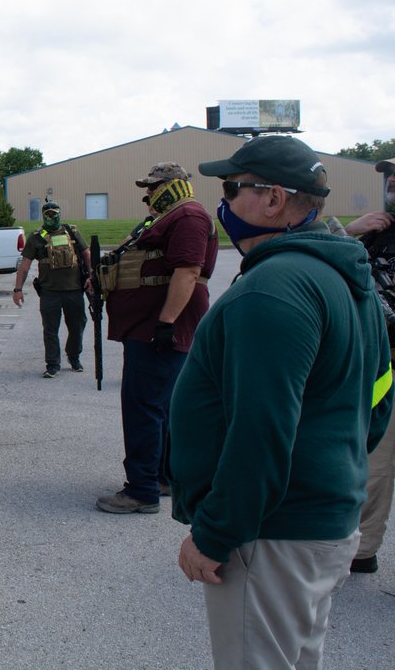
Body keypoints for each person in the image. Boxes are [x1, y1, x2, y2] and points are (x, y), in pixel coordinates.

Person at [170, 134, 392, 668]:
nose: (223, 203)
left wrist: (215, 532)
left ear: (273, 199)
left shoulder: (274, 288)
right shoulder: (346, 275)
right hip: (321, 520)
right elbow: (377, 398)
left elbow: (260, 432)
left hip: (273, 532)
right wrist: (333, 464)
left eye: (232, 188)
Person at [96, 162, 218, 514]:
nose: (148, 193)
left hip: (157, 329)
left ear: (173, 185)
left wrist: (166, 322)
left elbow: (189, 271)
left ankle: (142, 490)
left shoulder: (189, 217)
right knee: (158, 406)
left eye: (153, 186)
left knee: (143, 407)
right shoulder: (166, 217)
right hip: (147, 326)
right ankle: (160, 477)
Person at [329, 158, 395, 574]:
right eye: (392, 177)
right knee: (373, 464)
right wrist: (349, 231)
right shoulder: (379, 232)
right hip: (381, 369)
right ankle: (363, 549)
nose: (393, 183)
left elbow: (372, 299)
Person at [11, 200, 90, 378]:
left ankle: (74, 356)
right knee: (50, 330)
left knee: (77, 325)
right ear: (43, 215)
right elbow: (24, 266)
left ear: (59, 213)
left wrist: (92, 275)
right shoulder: (36, 237)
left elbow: (86, 253)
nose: (51, 217)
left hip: (74, 290)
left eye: (54, 213)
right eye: (48, 214)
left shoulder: (72, 232)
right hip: (50, 292)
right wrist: (18, 289)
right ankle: (53, 364)